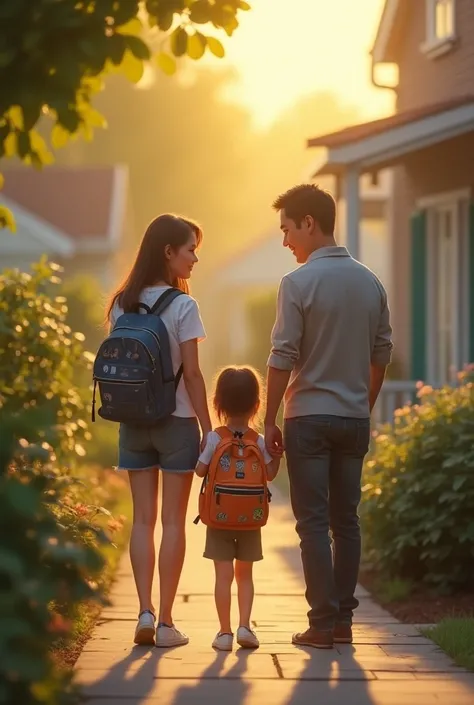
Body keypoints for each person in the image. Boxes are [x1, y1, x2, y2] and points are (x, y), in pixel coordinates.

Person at [264, 184, 393, 649]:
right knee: (347, 521)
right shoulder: (370, 282)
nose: (285, 242)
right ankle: (342, 621)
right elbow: (382, 354)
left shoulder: (296, 284)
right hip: (353, 417)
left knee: (313, 523)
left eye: (287, 230)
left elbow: (282, 357)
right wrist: (364, 402)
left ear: (309, 224)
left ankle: (321, 624)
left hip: (309, 420)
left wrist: (268, 421)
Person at [107, 214, 212, 648]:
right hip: (177, 423)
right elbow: (192, 375)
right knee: (172, 522)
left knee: (142, 521)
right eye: (190, 249)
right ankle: (167, 622)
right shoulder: (184, 306)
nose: (195, 258)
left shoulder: (120, 303)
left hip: (132, 422)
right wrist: (210, 429)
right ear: (168, 252)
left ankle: (144, 612)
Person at [195, 366, 280, 651]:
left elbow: (199, 471)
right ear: (257, 404)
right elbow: (269, 475)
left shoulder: (215, 438)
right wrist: (277, 456)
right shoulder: (259, 441)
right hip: (251, 519)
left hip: (218, 518)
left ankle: (224, 632)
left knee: (223, 575)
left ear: (218, 403)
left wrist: (200, 452)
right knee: (246, 575)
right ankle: (245, 626)